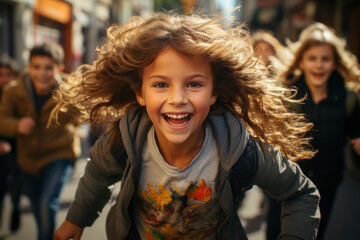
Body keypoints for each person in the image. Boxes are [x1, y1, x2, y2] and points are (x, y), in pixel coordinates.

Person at [53, 11, 320, 240]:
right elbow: (97, 178)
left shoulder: (239, 149)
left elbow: (300, 193)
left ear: (214, 92)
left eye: (194, 84)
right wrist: (76, 219)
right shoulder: (125, 140)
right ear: (140, 93)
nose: (177, 99)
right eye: (160, 85)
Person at [266, 22, 360, 240]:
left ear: (335, 63)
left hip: (325, 186)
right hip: (286, 184)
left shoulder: (348, 98)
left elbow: (356, 133)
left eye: (325, 59)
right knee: (276, 234)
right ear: (301, 61)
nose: (319, 65)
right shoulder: (287, 95)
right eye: (312, 58)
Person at [0, 43, 81, 240]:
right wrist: (16, 125)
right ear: (29, 67)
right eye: (36, 67)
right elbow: (2, 120)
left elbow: (84, 116)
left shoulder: (69, 89)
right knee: (37, 205)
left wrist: (83, 122)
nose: (41, 73)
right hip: (28, 158)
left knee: (47, 203)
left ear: (59, 69)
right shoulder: (13, 90)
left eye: (48, 68)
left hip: (59, 154)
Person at [0, 55, 22, 232]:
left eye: (9, 74)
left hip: (18, 150)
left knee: (16, 190)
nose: (5, 79)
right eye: (1, 74)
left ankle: (16, 210)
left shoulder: (20, 96)